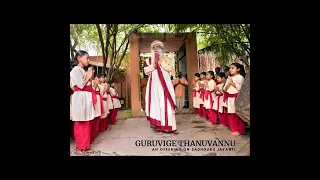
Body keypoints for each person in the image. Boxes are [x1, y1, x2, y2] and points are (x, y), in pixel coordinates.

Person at [143, 40, 177, 135]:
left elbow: (171, 69)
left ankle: (170, 126)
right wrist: (153, 66)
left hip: (166, 85)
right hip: (154, 86)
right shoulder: (148, 60)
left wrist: (162, 63)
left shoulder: (167, 59)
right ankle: (158, 127)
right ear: (152, 49)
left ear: (162, 49)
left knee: (167, 104)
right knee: (156, 105)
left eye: (158, 47)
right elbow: (145, 71)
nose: (156, 48)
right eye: (154, 47)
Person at [70, 50, 95, 155]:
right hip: (79, 97)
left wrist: (89, 75)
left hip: (85, 97)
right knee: (80, 122)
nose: (88, 60)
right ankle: (80, 148)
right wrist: (88, 75)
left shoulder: (82, 70)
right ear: (79, 58)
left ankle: (85, 146)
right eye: (86, 57)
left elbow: (89, 85)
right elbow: (80, 85)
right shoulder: (75, 70)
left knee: (86, 121)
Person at [223, 63, 246, 136]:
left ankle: (240, 129)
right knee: (230, 113)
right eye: (230, 68)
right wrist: (228, 84)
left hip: (237, 97)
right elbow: (224, 89)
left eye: (233, 68)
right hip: (229, 98)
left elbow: (241, 88)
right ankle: (234, 129)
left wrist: (232, 83)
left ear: (238, 69)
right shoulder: (229, 78)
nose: (230, 69)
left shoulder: (240, 77)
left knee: (237, 114)